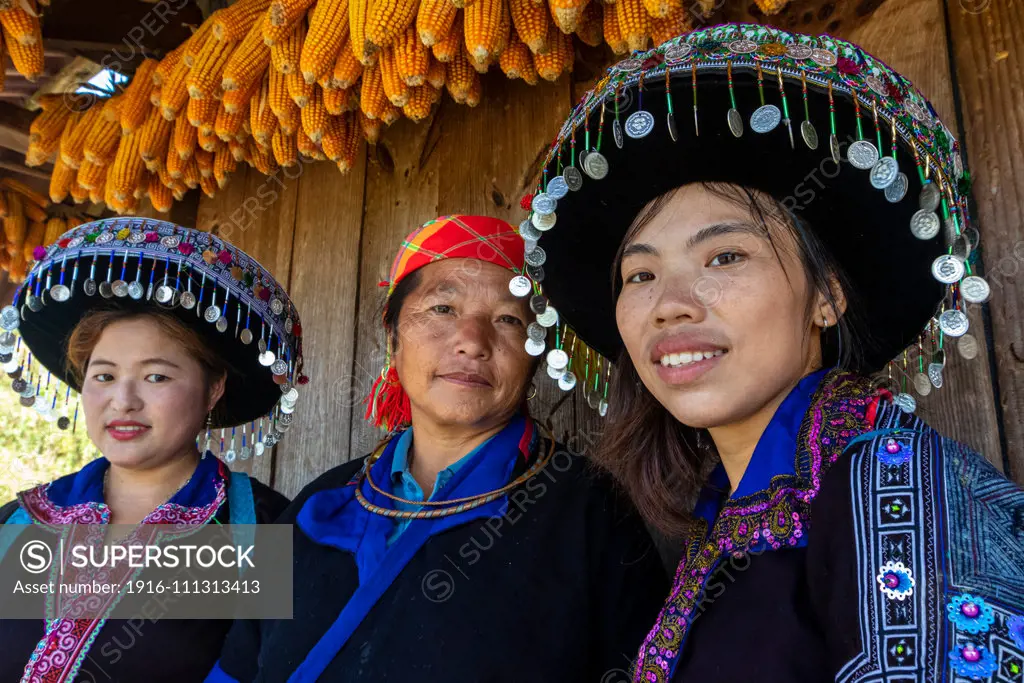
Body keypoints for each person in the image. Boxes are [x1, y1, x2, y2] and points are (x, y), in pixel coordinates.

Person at [523, 23, 1024, 683]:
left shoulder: (889, 480)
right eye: (640, 275)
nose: (669, 303)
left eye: (724, 255)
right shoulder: (722, 523)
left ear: (827, 298)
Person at [208, 214, 668, 682]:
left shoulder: (594, 511)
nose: (471, 342)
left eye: (508, 319)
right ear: (393, 339)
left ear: (535, 355)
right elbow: (237, 666)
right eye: (442, 309)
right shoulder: (317, 500)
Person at [0, 218, 301, 682]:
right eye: (103, 376)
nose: (123, 400)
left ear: (213, 388)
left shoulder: (260, 533)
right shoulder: (18, 524)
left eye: (155, 376)